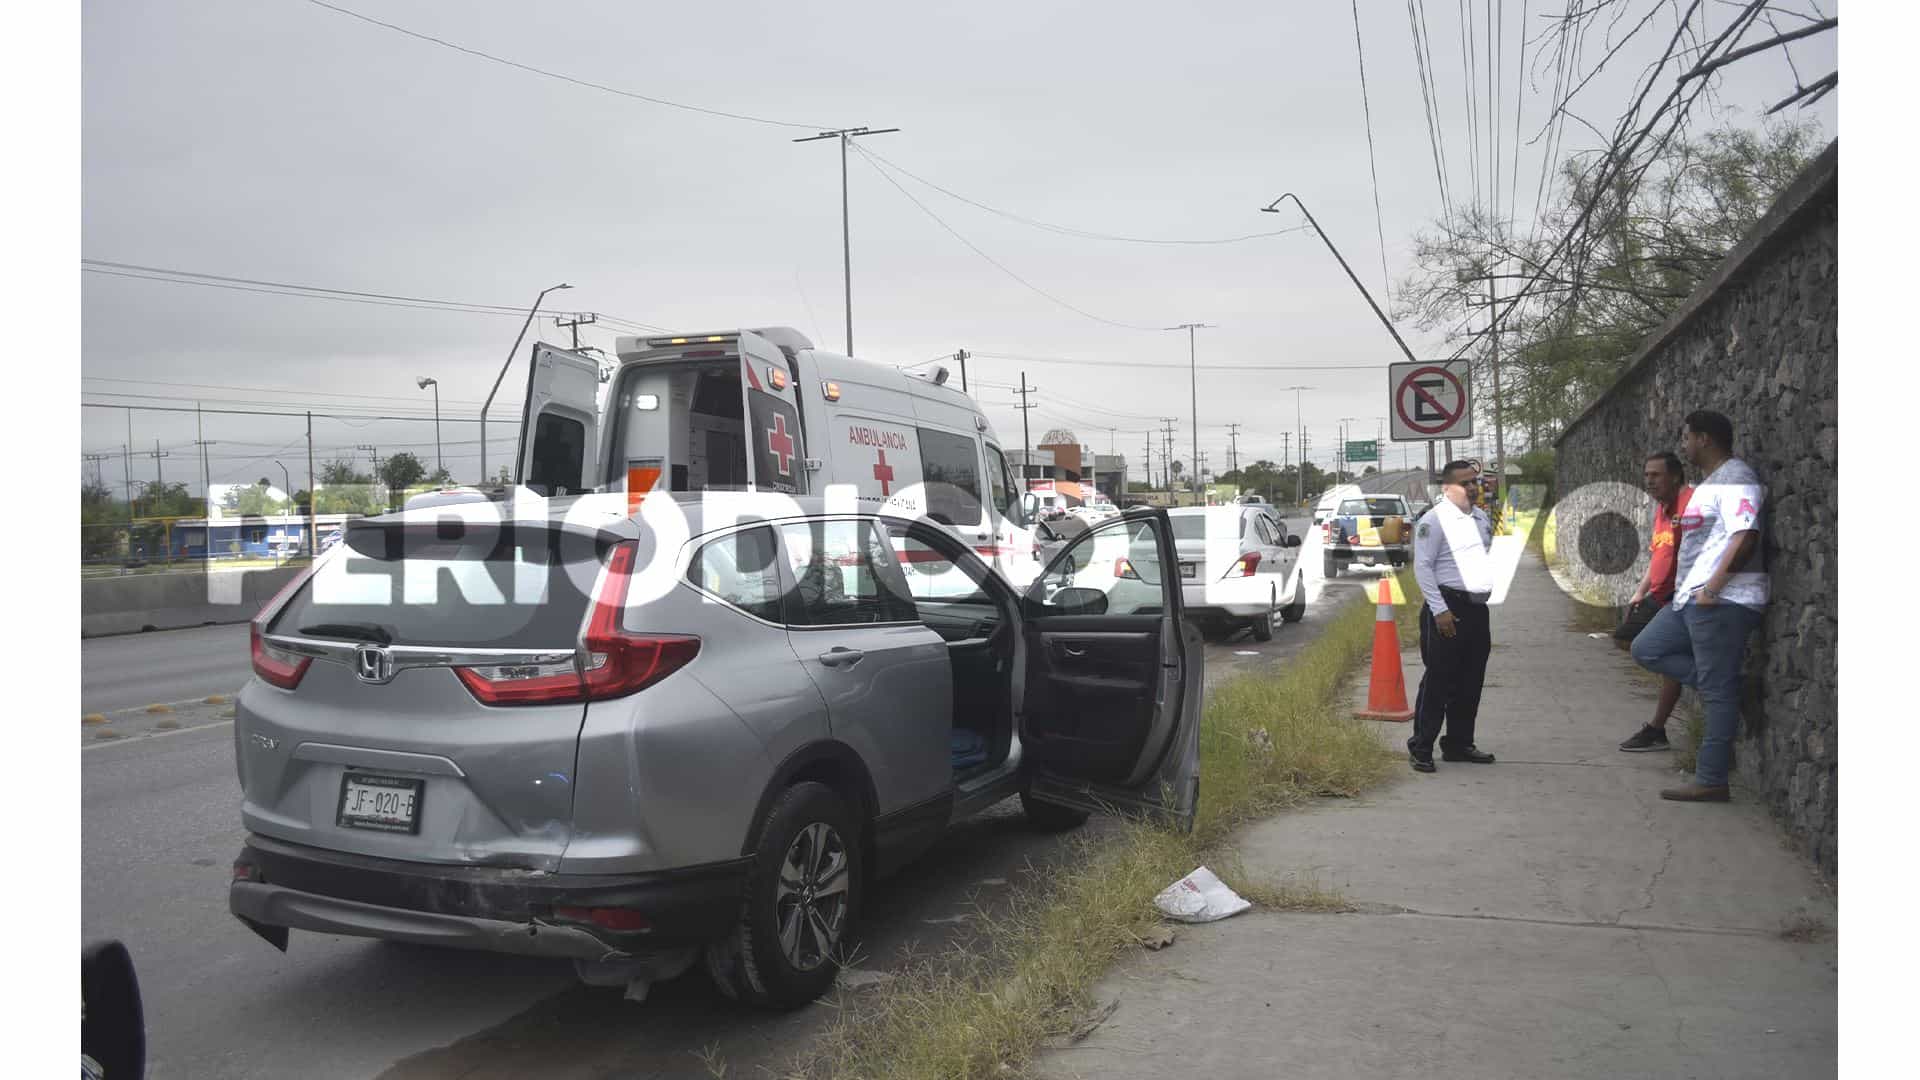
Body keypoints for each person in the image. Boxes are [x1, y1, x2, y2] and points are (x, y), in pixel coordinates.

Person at [1628, 410, 1767, 802]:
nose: (1684, 444)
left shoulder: (1736, 477)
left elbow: (1745, 535)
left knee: (1717, 692)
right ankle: (1731, 688)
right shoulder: (1711, 483)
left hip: (1722, 601)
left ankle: (1710, 779)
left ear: (1705, 439)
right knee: (1646, 648)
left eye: (1687, 437)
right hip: (1690, 600)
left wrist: (1714, 588)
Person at [1407, 460, 1498, 773]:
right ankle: (1421, 746)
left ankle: (1459, 744)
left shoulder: (1482, 517)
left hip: (1475, 609)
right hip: (1446, 607)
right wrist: (1439, 610)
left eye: (1474, 481)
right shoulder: (1434, 521)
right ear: (1447, 488)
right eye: (1464, 483)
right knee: (1439, 681)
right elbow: (1423, 567)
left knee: (1471, 680)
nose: (1472, 487)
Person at [1617, 451, 1693, 751]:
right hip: (1659, 594)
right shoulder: (1663, 509)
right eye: (1647, 475)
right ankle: (1657, 728)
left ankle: (1714, 681)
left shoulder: (1690, 504)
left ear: (1675, 475)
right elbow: (1659, 554)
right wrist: (1640, 591)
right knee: (1628, 639)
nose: (1649, 480)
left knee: (1642, 647)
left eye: (1656, 475)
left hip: (1680, 597)